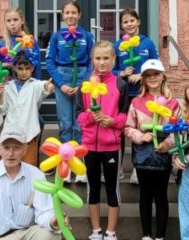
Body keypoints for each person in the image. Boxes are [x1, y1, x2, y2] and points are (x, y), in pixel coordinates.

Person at [76, 40, 129, 240]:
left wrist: (111, 121)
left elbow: (125, 115)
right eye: (98, 58)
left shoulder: (120, 84)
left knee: (112, 189)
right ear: (92, 60)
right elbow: (79, 116)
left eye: (106, 58)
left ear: (114, 59)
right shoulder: (85, 85)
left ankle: (111, 232)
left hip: (111, 146)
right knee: (93, 189)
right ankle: (96, 231)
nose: (102, 62)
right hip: (89, 146)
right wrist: (91, 116)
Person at [124, 59, 179, 240]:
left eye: (156, 74)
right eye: (148, 75)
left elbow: (179, 131)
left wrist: (168, 144)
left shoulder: (173, 104)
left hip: (162, 157)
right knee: (145, 196)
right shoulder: (136, 102)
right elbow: (128, 128)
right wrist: (141, 136)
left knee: (161, 196)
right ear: (144, 79)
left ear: (163, 76)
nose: (153, 78)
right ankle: (146, 235)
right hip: (143, 157)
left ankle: (161, 236)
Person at [45, 0, 94, 183]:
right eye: (67, 13)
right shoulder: (56, 37)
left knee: (79, 122)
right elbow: (49, 61)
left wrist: (83, 83)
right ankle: (64, 164)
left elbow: (91, 61)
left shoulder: (87, 36)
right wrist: (61, 83)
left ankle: (80, 165)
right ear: (63, 15)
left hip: (82, 79)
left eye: (74, 12)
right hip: (62, 79)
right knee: (65, 122)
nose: (70, 16)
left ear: (79, 14)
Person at [113, 8, 159, 182]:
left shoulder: (147, 43)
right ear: (121, 25)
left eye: (132, 20)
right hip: (123, 94)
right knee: (122, 129)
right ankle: (118, 169)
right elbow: (113, 70)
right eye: (125, 22)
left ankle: (136, 168)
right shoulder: (118, 45)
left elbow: (156, 65)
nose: (129, 24)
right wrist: (122, 73)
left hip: (142, 93)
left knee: (139, 130)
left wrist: (142, 74)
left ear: (138, 22)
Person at [0, 50, 54, 166]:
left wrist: (49, 86)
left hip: (30, 133)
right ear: (14, 68)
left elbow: (45, 87)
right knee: (11, 166)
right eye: (20, 68)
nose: (23, 72)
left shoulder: (35, 85)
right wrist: (0, 95)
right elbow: (1, 110)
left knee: (30, 165)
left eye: (27, 69)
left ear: (32, 68)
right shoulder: (8, 87)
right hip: (10, 134)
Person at [0, 7, 41, 79]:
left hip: (29, 85)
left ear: (22, 20)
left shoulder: (30, 42)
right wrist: (3, 65)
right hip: (10, 85)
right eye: (8, 21)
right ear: (5, 23)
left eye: (15, 20)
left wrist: (38, 86)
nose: (12, 23)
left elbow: (37, 67)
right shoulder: (3, 43)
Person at [173, 85, 189, 240]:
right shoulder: (183, 116)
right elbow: (178, 141)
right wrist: (176, 158)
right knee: (186, 212)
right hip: (186, 172)